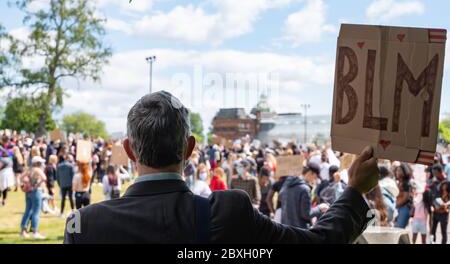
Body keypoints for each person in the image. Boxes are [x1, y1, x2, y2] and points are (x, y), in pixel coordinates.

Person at [64, 91, 379, 244]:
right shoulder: (227, 212)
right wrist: (354, 190)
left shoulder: (84, 225)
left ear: (129, 150)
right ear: (190, 148)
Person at [279, 162, 329, 229]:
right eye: (315, 177)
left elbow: (280, 197)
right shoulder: (305, 189)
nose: (314, 180)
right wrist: (320, 208)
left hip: (285, 227)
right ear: (310, 173)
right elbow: (306, 214)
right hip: (299, 230)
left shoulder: (287, 182)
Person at [20, 156, 47, 239]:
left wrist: (26, 185)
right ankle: (35, 231)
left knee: (27, 211)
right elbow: (44, 178)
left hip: (28, 192)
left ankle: (23, 231)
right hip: (36, 191)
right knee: (36, 212)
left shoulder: (28, 170)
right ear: (37, 163)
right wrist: (37, 185)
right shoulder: (37, 170)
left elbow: (21, 178)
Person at [394, 163, 413, 228]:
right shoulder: (398, 183)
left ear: (404, 172)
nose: (397, 172)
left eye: (399, 171)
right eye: (397, 170)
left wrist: (396, 205)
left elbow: (405, 198)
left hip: (404, 208)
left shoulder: (407, 184)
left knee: (399, 228)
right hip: (399, 207)